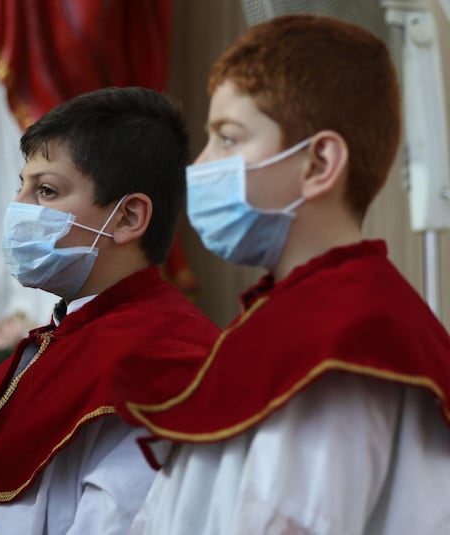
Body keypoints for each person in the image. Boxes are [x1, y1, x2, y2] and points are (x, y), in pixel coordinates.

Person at [128, 15, 450, 534]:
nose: (202, 164)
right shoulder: (286, 316)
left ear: (319, 162)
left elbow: (292, 519)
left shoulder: (343, 338)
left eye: (228, 139)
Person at [0, 86, 221, 534]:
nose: (18, 209)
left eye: (46, 190)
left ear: (127, 218)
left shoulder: (155, 361)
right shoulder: (68, 336)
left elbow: (121, 517)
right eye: (20, 187)